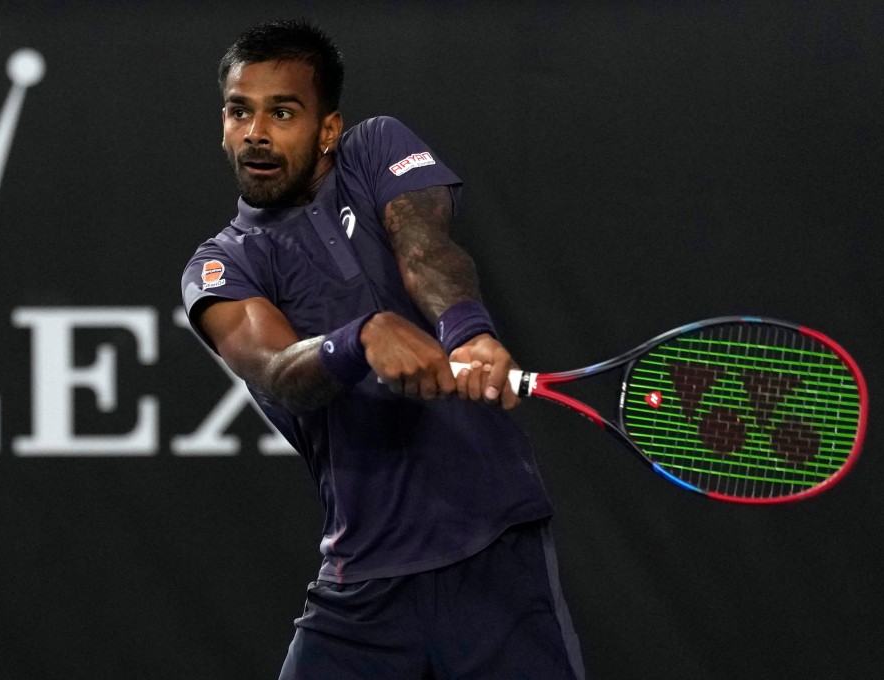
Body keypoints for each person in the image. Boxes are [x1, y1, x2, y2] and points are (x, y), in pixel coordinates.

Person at [181, 19, 585, 679]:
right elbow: (277, 372)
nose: (255, 131)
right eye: (238, 111)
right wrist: (359, 341)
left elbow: (425, 248)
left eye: (282, 112)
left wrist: (467, 331)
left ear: (329, 130)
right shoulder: (221, 265)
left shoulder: (374, 150)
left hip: (495, 559)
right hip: (362, 590)